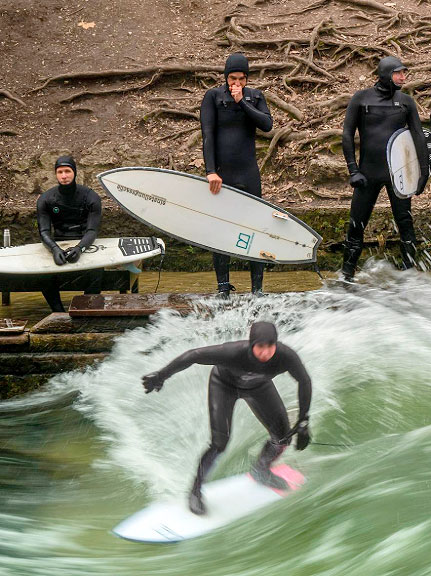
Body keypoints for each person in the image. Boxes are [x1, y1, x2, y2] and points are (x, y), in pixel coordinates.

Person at [141, 321, 312, 516]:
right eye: (260, 347)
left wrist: (304, 420)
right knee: (219, 443)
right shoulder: (232, 352)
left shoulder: (286, 356)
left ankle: (261, 470)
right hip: (223, 386)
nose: (266, 352)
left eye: (270, 346)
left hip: (259, 388)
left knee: (283, 437)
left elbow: (304, 381)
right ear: (251, 344)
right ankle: (195, 491)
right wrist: (162, 375)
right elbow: (193, 356)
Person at [340, 56, 429, 281]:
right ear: (385, 74)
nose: (403, 77)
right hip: (367, 174)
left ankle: (409, 274)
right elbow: (347, 134)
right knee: (356, 224)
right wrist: (353, 170)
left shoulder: (406, 102)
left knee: (405, 223)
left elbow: (417, 135)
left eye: (404, 73)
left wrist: (423, 170)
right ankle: (346, 274)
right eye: (398, 73)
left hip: (398, 175)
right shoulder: (361, 99)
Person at [200, 52, 273, 296]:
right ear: (225, 77)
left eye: (241, 79)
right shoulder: (213, 97)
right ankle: (223, 286)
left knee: (255, 226)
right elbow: (208, 135)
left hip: (248, 172)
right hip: (222, 174)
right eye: (233, 78)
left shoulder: (255, 97)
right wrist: (210, 171)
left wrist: (242, 101)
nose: (237, 83)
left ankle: (257, 288)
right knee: (221, 228)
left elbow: (267, 125)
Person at [36, 155, 103, 312]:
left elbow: (92, 230)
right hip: (58, 243)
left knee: (97, 270)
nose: (64, 176)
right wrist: (54, 248)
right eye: (60, 172)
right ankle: (58, 312)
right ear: (56, 174)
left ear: (75, 173)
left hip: (85, 242)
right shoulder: (46, 199)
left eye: (67, 171)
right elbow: (44, 231)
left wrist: (80, 248)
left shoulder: (91, 197)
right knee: (41, 272)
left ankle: (85, 311)